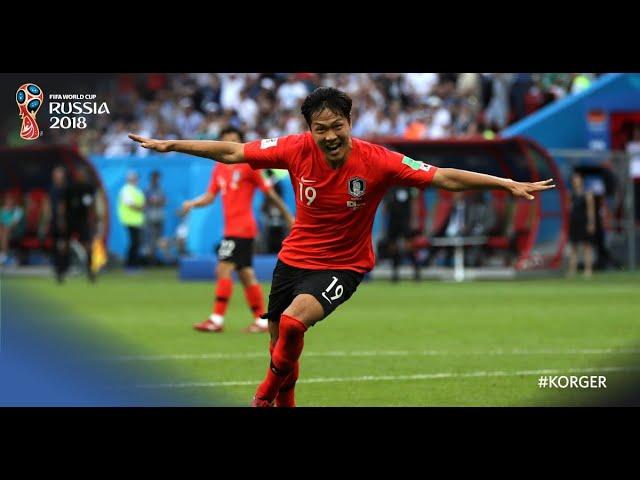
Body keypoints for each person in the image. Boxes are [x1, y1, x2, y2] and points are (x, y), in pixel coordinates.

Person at [129, 86, 555, 407]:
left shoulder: (380, 160)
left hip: (344, 266)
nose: (330, 135)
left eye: (338, 126)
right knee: (282, 354)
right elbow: (234, 151)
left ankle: (262, 395)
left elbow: (442, 176)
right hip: (292, 261)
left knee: (293, 327)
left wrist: (506, 183)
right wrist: (170, 145)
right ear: (308, 130)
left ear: (350, 123)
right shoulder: (294, 150)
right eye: (321, 129)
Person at [182, 127, 294, 334]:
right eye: (226, 140)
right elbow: (209, 196)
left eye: (234, 140)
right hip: (232, 228)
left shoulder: (249, 167)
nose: (230, 144)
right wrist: (193, 203)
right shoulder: (219, 169)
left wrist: (287, 216)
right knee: (245, 274)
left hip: (241, 228)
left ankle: (216, 319)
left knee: (223, 269)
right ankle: (261, 320)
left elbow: (269, 194)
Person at [64, 166, 98, 282]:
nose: (81, 176)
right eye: (79, 174)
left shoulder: (89, 188)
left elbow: (92, 206)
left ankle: (90, 271)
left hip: (83, 221)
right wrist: (62, 220)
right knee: (65, 245)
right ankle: (63, 269)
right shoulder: (70, 188)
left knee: (87, 245)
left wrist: (93, 220)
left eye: (82, 174)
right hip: (71, 220)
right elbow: (64, 206)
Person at [382, 185, 420, 282]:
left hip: (405, 221)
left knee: (409, 247)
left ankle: (416, 272)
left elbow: (414, 203)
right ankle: (395, 274)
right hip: (393, 221)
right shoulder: (390, 186)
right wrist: (384, 224)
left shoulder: (408, 186)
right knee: (393, 248)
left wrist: (414, 220)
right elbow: (385, 207)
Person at [567, 172, 595, 278]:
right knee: (573, 247)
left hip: (584, 222)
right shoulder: (571, 194)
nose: (576, 181)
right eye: (574, 179)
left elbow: (590, 210)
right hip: (574, 223)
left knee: (586, 247)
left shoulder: (587, 194)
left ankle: (588, 270)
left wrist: (591, 223)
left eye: (577, 178)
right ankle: (572, 270)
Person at [118, 170, 145, 270]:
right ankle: (130, 265)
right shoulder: (126, 190)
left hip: (136, 221)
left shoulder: (136, 190)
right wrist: (140, 208)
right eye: (134, 178)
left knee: (136, 243)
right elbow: (129, 204)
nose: (136, 180)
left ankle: (134, 265)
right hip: (129, 221)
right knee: (134, 243)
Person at [145, 170, 166, 265]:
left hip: (159, 216)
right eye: (156, 177)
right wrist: (157, 201)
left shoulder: (160, 188)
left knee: (159, 239)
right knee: (151, 239)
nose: (157, 179)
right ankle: (150, 260)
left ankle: (155, 259)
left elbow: (164, 201)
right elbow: (148, 201)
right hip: (151, 216)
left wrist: (157, 201)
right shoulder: (148, 188)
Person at [0, 193, 24, 265]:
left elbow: (14, 224)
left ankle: (4, 256)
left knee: (4, 232)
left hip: (15, 231)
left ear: (14, 201)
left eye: (11, 200)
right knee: (2, 232)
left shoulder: (18, 211)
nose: (9, 202)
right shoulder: (2, 210)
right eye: (7, 201)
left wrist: (6, 227)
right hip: (3, 230)